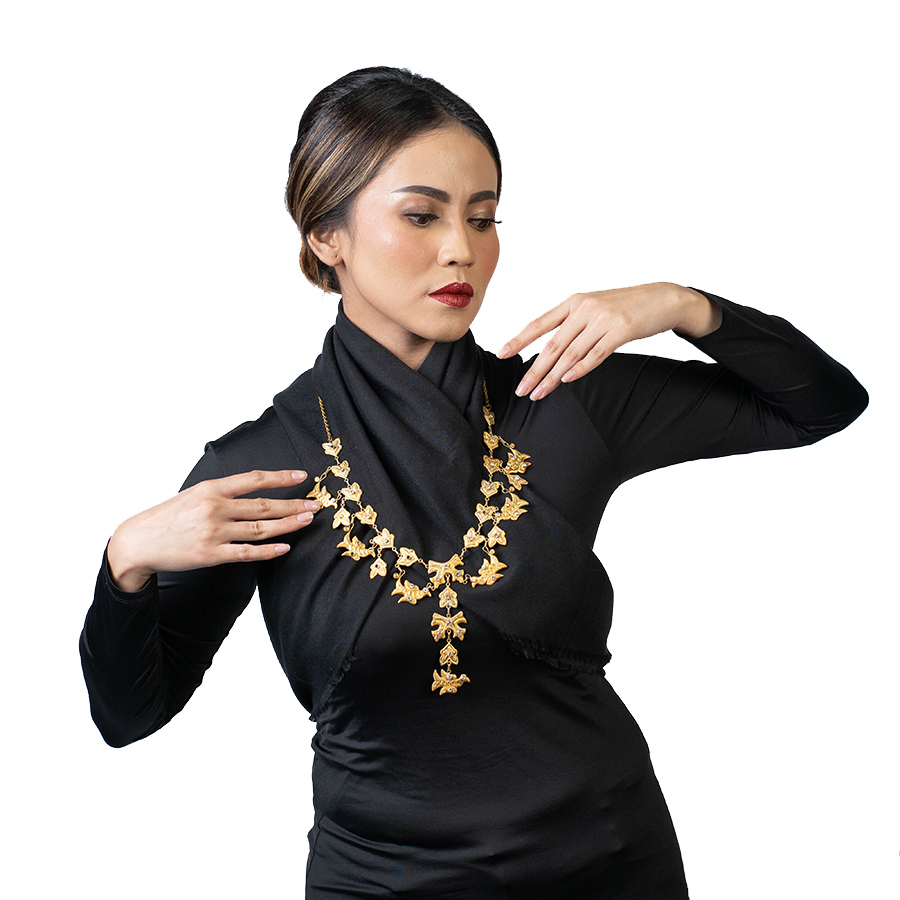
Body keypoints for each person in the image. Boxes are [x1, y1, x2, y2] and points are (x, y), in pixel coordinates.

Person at [80, 66, 868, 899]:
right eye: (421, 215)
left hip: (610, 860)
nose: (462, 247)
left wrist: (680, 304)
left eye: (483, 218)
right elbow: (129, 716)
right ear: (327, 236)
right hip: (382, 881)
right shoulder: (259, 468)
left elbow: (820, 405)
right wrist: (125, 563)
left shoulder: (561, 398)